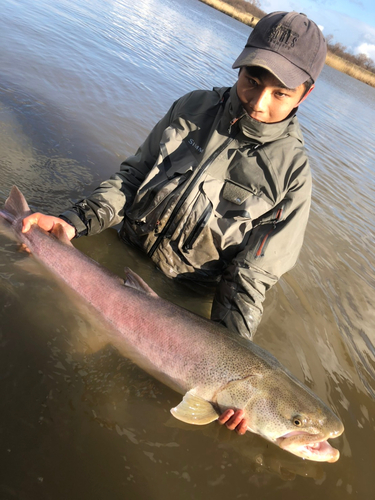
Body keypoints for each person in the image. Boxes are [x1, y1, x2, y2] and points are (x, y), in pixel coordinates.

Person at [22, 11, 327, 434]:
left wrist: (231, 373)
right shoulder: (192, 107)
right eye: (252, 80)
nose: (258, 102)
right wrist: (75, 222)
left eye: (280, 92)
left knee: (109, 409)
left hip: (183, 297)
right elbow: (130, 178)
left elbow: (249, 280)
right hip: (122, 249)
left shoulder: (293, 179)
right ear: (239, 65)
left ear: (304, 94)